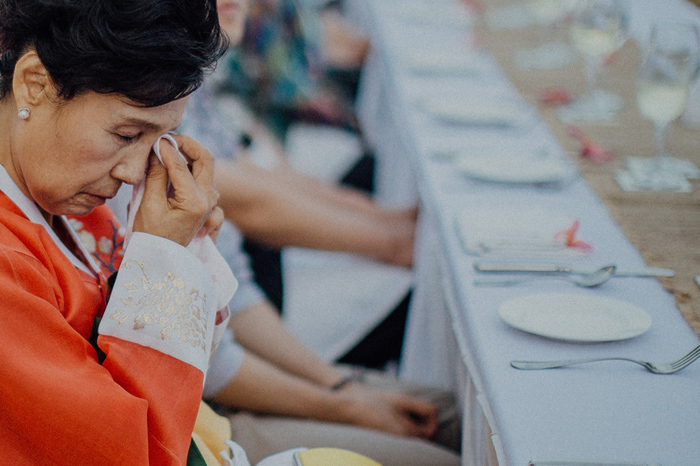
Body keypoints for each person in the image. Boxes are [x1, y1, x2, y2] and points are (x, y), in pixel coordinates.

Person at [0, 0, 235, 463]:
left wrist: (182, 251)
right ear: (34, 83)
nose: (132, 173)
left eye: (157, 141)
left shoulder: (61, 190)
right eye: (126, 135)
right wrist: (165, 265)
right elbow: (126, 453)